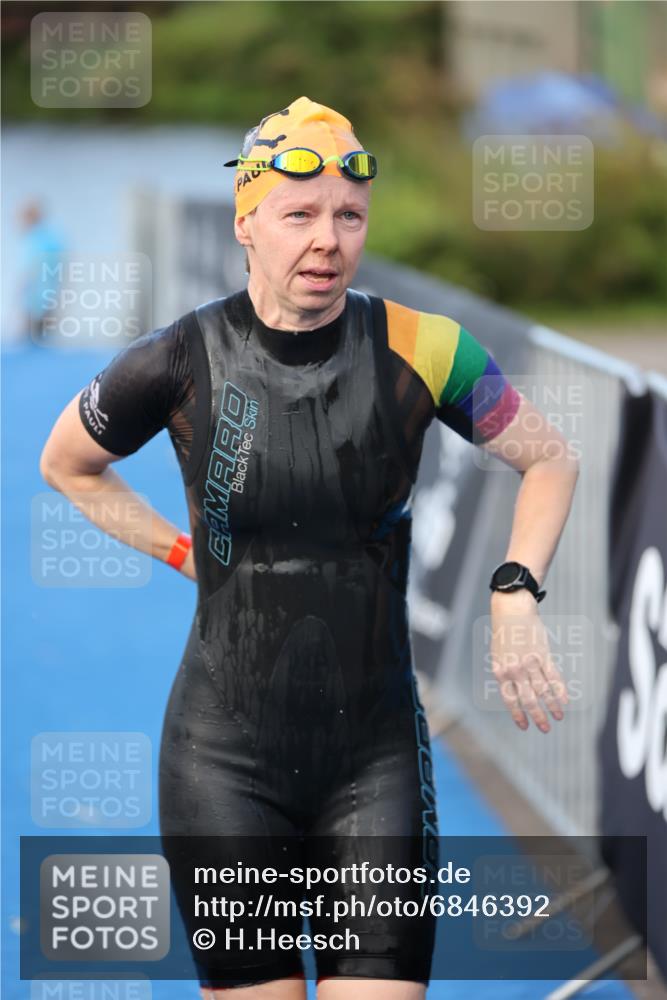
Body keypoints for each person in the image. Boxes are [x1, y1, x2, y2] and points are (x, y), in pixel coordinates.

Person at [39, 96, 578, 999]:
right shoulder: (178, 358)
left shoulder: (426, 349)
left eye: (349, 216)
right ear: (246, 223)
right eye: (299, 215)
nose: (327, 240)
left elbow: (550, 459)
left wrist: (514, 590)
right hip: (221, 762)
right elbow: (68, 465)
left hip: (373, 759)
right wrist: (179, 552)